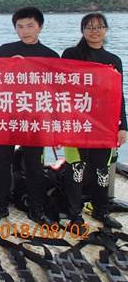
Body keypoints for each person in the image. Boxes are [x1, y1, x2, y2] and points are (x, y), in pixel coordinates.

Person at [0, 6, 58, 225]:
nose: (25, 31)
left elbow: (57, 89)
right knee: (2, 161)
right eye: (20, 26)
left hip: (35, 118)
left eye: (30, 26)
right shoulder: (5, 50)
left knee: (34, 165)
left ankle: (36, 209)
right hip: (6, 115)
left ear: (40, 27)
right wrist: (9, 66)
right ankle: (1, 206)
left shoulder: (50, 56)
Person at [61, 12, 127, 229]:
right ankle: (74, 214)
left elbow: (118, 96)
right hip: (76, 123)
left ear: (106, 30)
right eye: (89, 27)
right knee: (76, 168)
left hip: (104, 126)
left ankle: (101, 210)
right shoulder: (71, 54)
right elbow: (60, 87)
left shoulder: (114, 60)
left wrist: (123, 126)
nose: (94, 31)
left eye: (99, 27)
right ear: (82, 31)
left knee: (102, 171)